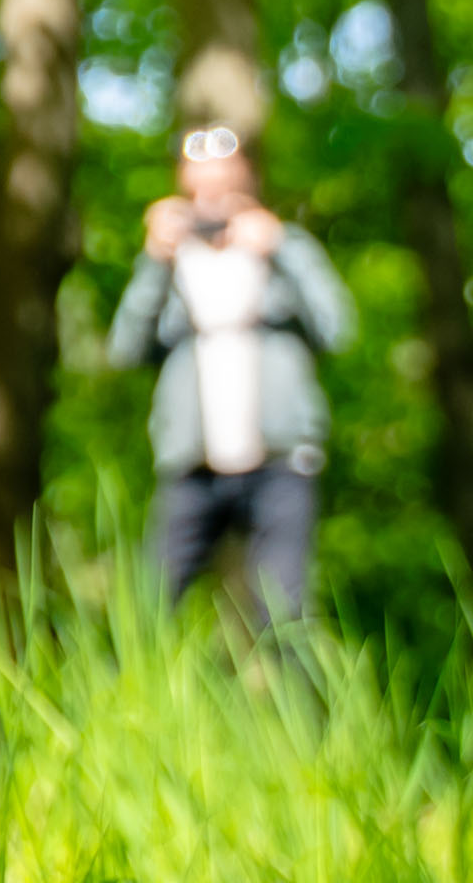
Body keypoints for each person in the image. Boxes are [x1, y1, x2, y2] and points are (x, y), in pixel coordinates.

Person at [109, 124, 352, 638]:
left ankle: (294, 696)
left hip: (281, 460)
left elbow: (338, 329)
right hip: (192, 464)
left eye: (224, 178)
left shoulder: (285, 248)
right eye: (201, 180)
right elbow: (125, 350)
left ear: (248, 179)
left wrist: (280, 247)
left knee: (284, 616)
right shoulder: (170, 261)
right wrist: (155, 261)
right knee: (150, 608)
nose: (213, 192)